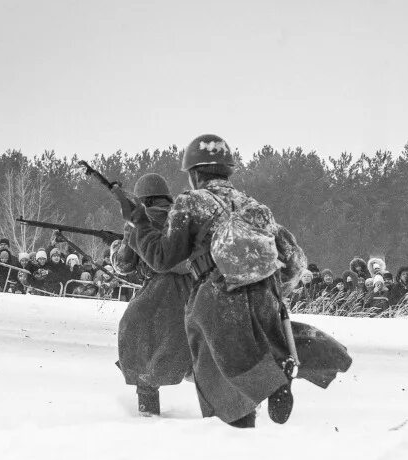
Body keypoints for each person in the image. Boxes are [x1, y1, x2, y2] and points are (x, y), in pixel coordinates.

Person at [125, 133, 350, 428]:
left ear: (193, 174)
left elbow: (162, 258)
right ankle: (276, 372)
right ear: (228, 170)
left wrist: (139, 224)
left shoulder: (189, 203)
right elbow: (296, 261)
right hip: (264, 296)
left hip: (216, 297)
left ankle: (244, 423)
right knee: (247, 359)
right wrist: (268, 289)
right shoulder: (255, 207)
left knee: (216, 385)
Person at [112, 173, 198, 416]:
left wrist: (116, 247)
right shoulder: (186, 218)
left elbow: (124, 265)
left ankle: (147, 412)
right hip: (196, 289)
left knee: (139, 343)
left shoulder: (139, 222)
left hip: (160, 294)